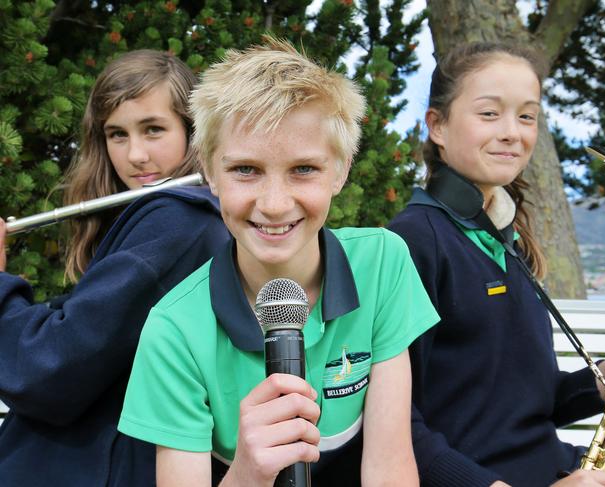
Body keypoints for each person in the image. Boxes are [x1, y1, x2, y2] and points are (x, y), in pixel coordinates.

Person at [117, 38, 439, 487]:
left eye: (303, 169)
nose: (272, 204)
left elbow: (388, 467)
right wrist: (248, 471)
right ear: (209, 170)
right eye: (245, 170)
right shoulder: (174, 330)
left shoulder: (383, 262)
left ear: (341, 169)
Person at [388, 41, 605, 487]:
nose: (513, 132)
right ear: (437, 126)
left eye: (527, 116)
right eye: (489, 113)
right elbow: (394, 427)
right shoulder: (412, 242)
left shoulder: (506, 240)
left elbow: (537, 402)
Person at [0, 49, 230, 487]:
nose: (136, 155)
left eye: (154, 129)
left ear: (193, 131)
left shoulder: (178, 220)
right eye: (117, 135)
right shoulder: (168, 220)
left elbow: (51, 367)